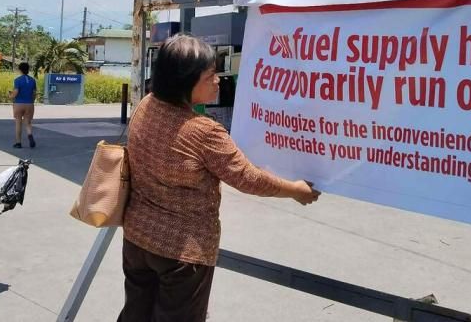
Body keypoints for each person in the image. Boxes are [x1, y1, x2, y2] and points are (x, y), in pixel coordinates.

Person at [119, 34, 321, 322]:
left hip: (137, 240)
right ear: (184, 82)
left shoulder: (145, 106)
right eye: (210, 76)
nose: (218, 81)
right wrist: (295, 189)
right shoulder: (203, 131)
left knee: (135, 315)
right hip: (181, 254)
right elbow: (248, 179)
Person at [9, 62, 37, 148]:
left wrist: (10, 96)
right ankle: (30, 135)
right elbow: (34, 93)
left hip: (19, 104)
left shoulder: (18, 80)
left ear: (20, 70)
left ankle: (18, 143)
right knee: (28, 122)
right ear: (28, 70)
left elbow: (16, 92)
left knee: (18, 122)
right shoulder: (32, 80)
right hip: (29, 104)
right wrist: (31, 101)